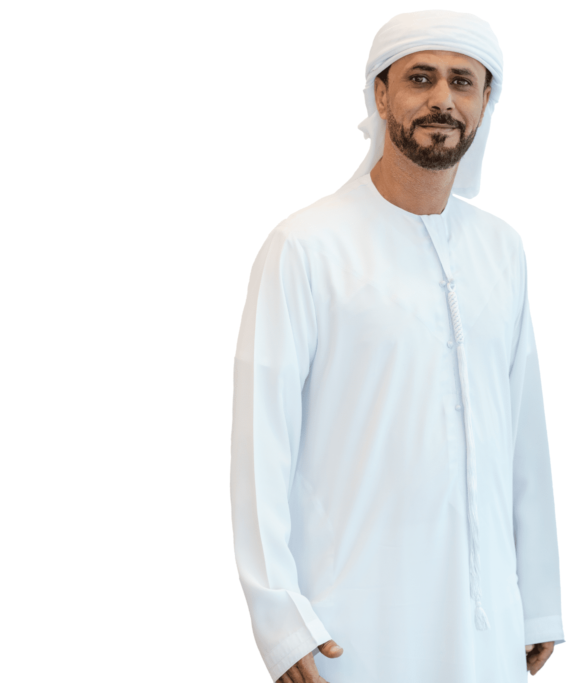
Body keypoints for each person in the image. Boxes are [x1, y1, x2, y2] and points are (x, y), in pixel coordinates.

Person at [231, 10, 564, 683]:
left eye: (463, 81)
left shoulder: (502, 249)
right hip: (352, 627)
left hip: (487, 625)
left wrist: (538, 601)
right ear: (380, 95)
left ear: (486, 101)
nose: (443, 99)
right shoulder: (306, 247)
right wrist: (281, 620)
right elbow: (262, 443)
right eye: (420, 78)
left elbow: (522, 434)